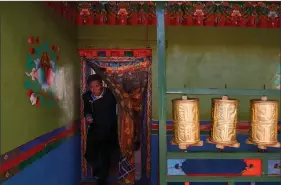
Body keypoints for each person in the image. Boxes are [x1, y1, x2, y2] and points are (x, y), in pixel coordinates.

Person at [83, 74, 118, 185]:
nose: (94, 90)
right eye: (91, 87)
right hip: (95, 129)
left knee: (105, 155)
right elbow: (87, 110)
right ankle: (99, 172)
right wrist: (88, 116)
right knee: (89, 154)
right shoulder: (87, 97)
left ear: (101, 85)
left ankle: (102, 179)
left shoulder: (111, 95)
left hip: (109, 130)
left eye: (96, 86)